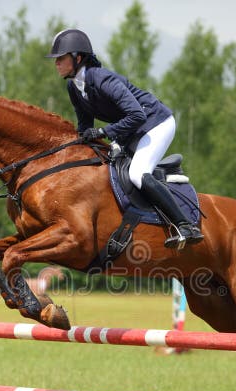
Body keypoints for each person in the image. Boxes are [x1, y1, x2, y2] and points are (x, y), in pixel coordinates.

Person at [47, 28, 203, 249]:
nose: (56, 64)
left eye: (61, 58)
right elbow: (85, 125)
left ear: (77, 58)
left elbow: (137, 114)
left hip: (156, 122)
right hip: (132, 129)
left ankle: (186, 225)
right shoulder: (73, 87)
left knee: (137, 174)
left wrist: (104, 133)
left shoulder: (102, 79)